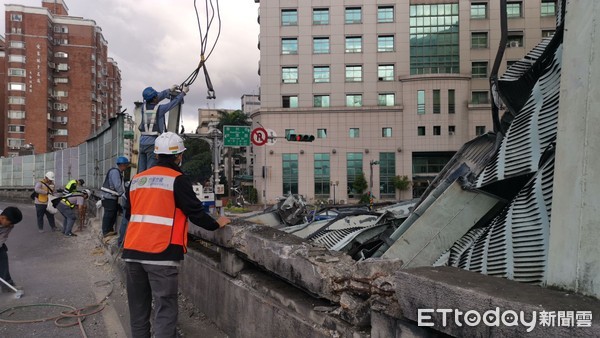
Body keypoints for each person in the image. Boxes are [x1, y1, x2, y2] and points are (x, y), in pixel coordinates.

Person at [123, 132, 231, 337]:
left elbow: (129, 213)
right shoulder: (177, 179)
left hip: (132, 251)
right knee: (165, 309)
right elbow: (196, 213)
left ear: (156, 155)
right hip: (161, 253)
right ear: (179, 156)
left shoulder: (137, 179)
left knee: (138, 309)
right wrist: (217, 223)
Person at [138, 85, 189, 172]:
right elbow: (173, 103)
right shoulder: (160, 109)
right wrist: (183, 93)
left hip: (142, 142)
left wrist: (169, 90)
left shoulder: (143, 107)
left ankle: (139, 184)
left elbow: (158, 97)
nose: (158, 96)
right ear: (154, 98)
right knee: (151, 170)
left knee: (141, 171)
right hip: (152, 142)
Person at [101, 156, 130, 237]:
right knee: (109, 214)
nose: (127, 167)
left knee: (112, 213)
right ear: (122, 165)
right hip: (109, 197)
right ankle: (106, 231)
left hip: (110, 197)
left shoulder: (117, 172)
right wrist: (123, 194)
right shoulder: (115, 172)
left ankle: (109, 230)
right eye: (126, 165)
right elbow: (117, 185)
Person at [0, 207, 23, 293]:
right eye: (10, 223)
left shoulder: (9, 225)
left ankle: (6, 285)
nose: (10, 225)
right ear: (3, 218)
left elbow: (2, 238)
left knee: (2, 256)